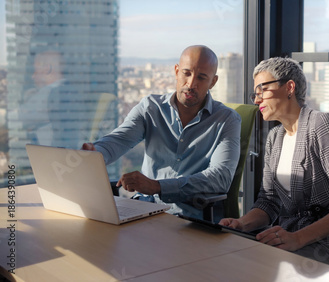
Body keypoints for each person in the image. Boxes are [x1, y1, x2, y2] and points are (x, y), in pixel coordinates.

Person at [219, 57, 329, 267]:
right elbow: (269, 202)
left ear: (289, 87)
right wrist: (241, 224)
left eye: (262, 90)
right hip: (288, 240)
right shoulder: (275, 138)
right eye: (255, 93)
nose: (256, 100)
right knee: (227, 259)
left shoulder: (322, 125)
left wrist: (298, 238)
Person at [81, 45, 241, 219]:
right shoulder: (150, 107)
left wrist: (158, 186)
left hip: (191, 219)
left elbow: (220, 177)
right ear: (176, 71)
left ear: (213, 82)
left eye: (202, 78)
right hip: (144, 210)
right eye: (186, 73)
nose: (191, 83)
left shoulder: (227, 120)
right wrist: (96, 153)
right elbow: (120, 140)